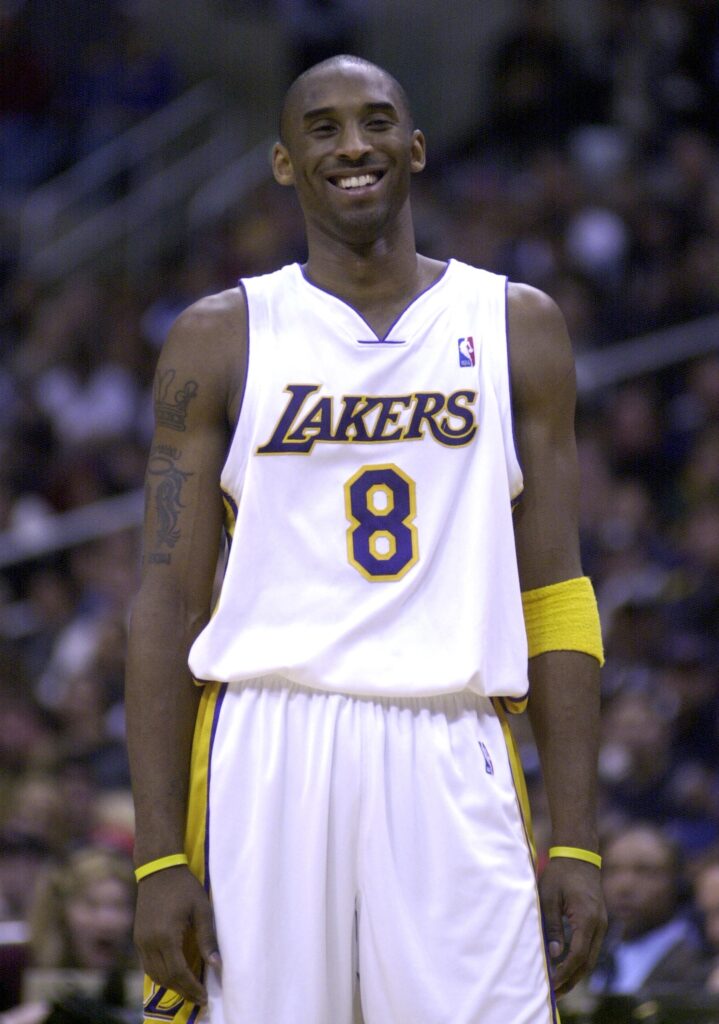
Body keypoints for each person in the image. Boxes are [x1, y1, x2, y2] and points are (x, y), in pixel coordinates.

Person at [125, 54, 606, 1024]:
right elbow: (164, 604)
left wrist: (579, 840)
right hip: (269, 738)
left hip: (450, 734)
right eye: (324, 128)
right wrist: (158, 856)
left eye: (377, 121)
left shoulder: (516, 327)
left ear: (416, 147)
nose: (353, 145)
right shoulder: (218, 338)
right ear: (281, 163)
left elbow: (553, 590)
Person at [588, 823, 705, 996]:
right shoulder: (588, 953)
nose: (624, 886)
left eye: (645, 871)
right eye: (612, 870)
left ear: (678, 882)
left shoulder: (700, 960)